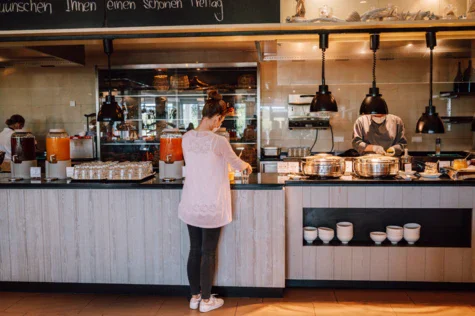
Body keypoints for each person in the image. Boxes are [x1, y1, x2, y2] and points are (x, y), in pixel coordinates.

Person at [178, 90, 252, 313]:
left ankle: (194, 297)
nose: (220, 124)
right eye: (221, 120)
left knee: (194, 250)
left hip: (191, 203)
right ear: (217, 118)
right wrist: (247, 166)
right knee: (208, 252)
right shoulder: (219, 141)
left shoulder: (186, 138)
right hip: (211, 205)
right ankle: (207, 301)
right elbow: (239, 165)